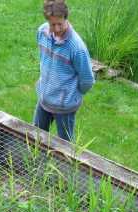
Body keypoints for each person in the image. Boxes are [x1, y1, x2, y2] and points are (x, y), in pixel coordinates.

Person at [34, 1, 95, 142]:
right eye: (52, 24)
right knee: (35, 138)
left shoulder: (77, 48)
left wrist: (70, 94)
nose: (56, 28)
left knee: (65, 147)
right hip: (44, 98)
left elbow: (87, 80)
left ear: (66, 18)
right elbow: (43, 60)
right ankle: (36, 164)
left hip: (65, 107)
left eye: (60, 24)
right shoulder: (41, 32)